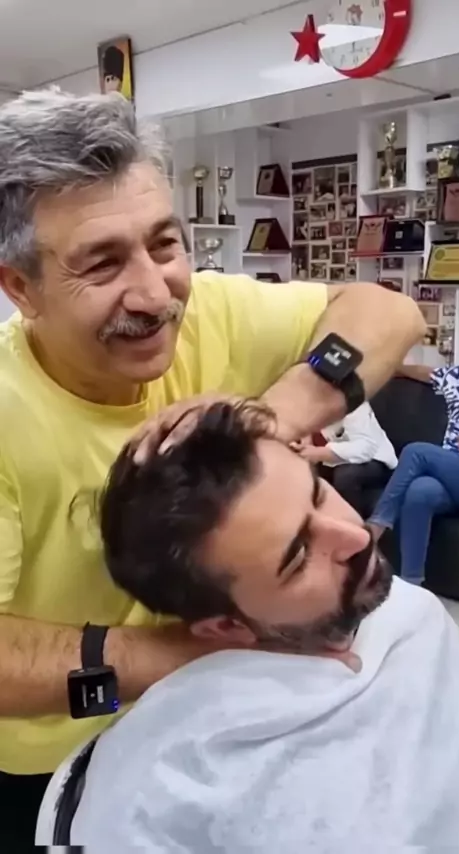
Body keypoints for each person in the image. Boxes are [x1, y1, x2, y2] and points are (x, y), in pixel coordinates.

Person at [0, 87, 424, 847]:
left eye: (165, 245)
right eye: (101, 263)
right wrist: (190, 654)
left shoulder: (211, 312)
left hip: (215, 717)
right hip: (50, 755)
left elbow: (388, 312)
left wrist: (279, 412)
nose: (154, 293)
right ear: (20, 287)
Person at [68, 401, 459, 850]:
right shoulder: (167, 785)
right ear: (225, 626)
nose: (357, 536)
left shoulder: (413, 613)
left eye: (319, 494)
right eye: (299, 557)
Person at [368, 325, 459, 585]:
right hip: (453, 476)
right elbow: (411, 371)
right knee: (420, 491)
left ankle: (375, 528)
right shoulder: (455, 378)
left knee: (416, 452)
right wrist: (380, 364)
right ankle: (412, 584)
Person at [293, 401, 397, 517]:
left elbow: (366, 447)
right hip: (331, 459)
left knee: (345, 476)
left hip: (376, 459)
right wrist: (305, 439)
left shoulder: (354, 404)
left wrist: (322, 453)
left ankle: (354, 523)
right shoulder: (306, 400)